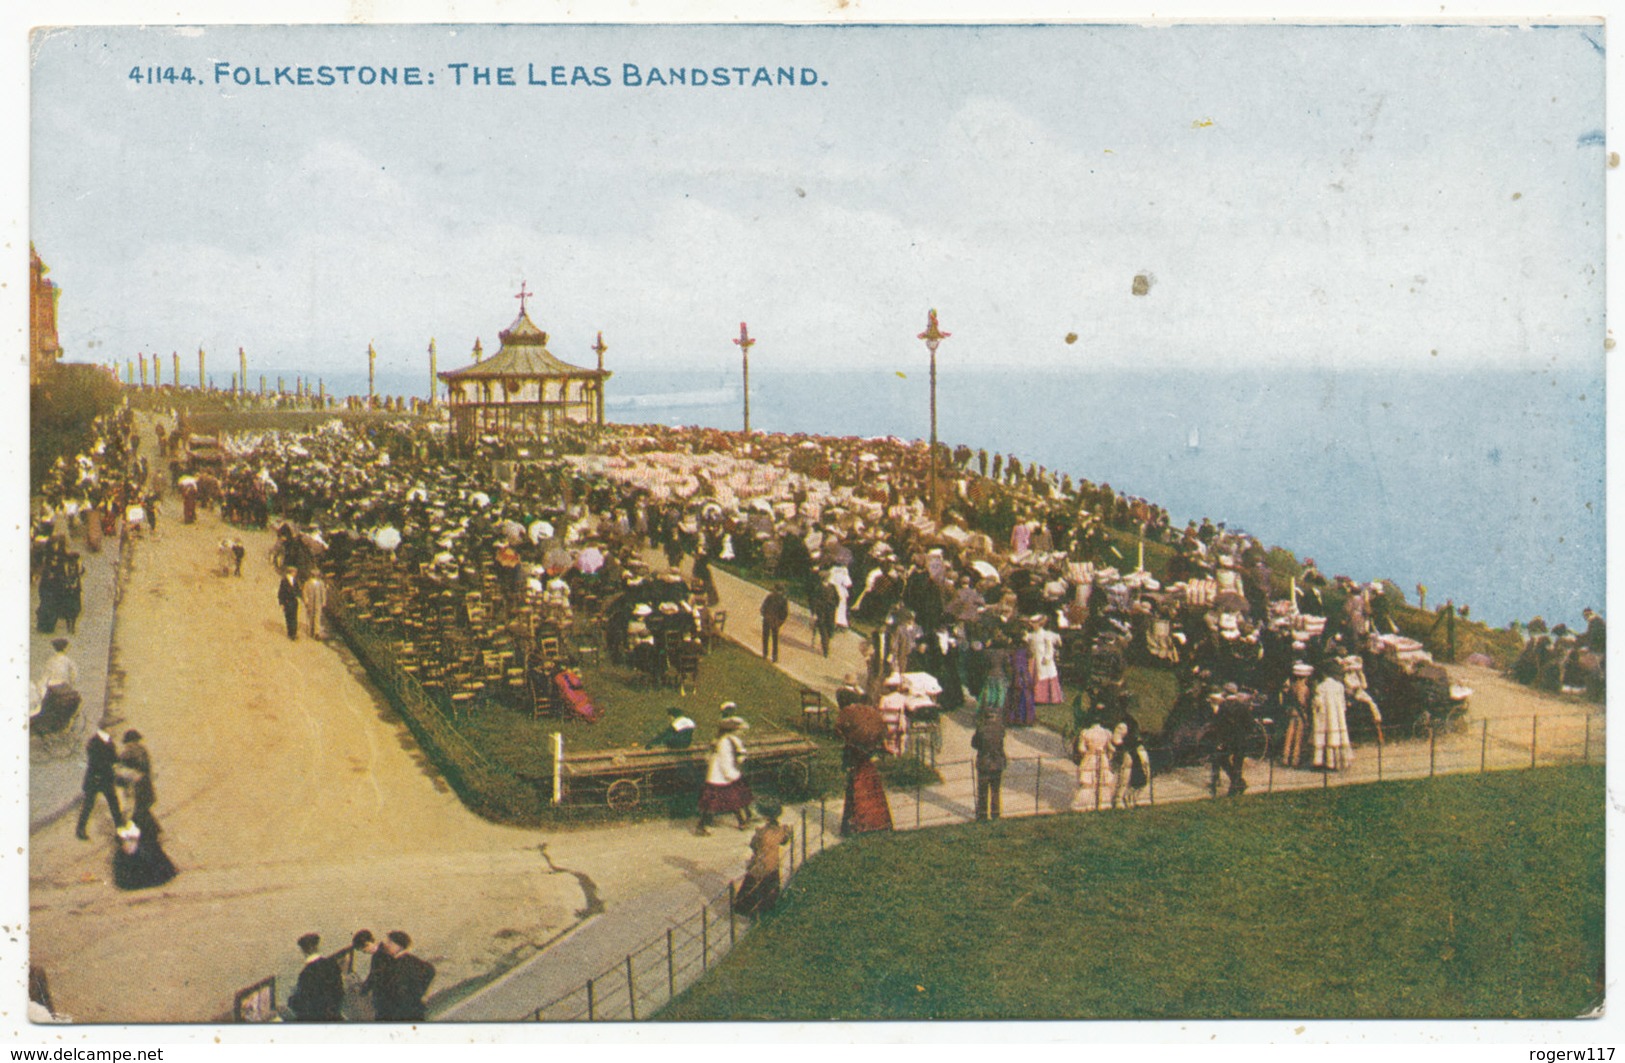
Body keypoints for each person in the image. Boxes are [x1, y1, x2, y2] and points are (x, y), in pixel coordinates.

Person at [834, 697, 893, 835]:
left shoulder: (855, 732)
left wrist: (845, 764)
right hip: (869, 769)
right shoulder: (869, 732)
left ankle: (855, 827)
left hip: (857, 770)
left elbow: (847, 754)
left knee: (855, 797)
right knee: (874, 796)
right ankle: (878, 824)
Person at [733, 799, 794, 917]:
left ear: (765, 817)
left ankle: (747, 910)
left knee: (751, 886)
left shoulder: (762, 833)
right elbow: (784, 840)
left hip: (760, 863)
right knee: (770, 887)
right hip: (773, 862)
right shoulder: (780, 830)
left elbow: (753, 845)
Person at [695, 714, 753, 836]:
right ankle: (703, 826)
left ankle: (742, 821)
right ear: (732, 730)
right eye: (739, 730)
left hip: (720, 775)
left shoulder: (725, 740)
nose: (741, 732)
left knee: (729, 800)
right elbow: (725, 762)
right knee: (721, 802)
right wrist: (733, 775)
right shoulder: (724, 743)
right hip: (720, 776)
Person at [376, 931, 435, 1022]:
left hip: (410, 1011)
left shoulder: (409, 960)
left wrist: (422, 995)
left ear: (399, 946)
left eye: (390, 943)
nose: (387, 945)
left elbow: (430, 971)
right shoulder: (393, 962)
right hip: (400, 1011)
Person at [76, 728, 122, 840]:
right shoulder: (94, 743)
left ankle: (120, 829)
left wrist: (117, 759)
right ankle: (80, 829)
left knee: (112, 804)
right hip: (97, 779)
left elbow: (113, 758)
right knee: (91, 805)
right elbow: (98, 761)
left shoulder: (106, 742)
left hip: (101, 779)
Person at [288, 933, 345, 1022]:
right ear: (317, 947)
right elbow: (339, 991)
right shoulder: (332, 964)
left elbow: (304, 1002)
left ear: (303, 951)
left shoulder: (306, 974)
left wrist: (291, 1000)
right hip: (335, 1014)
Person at [111, 820, 177, 891]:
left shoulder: (148, 853)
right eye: (124, 841)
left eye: (131, 840)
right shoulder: (120, 859)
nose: (128, 844)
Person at [1312, 659, 1353, 771]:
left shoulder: (1320, 687)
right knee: (1338, 735)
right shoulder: (1339, 686)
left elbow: (1318, 703)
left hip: (1325, 716)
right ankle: (1342, 761)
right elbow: (1343, 704)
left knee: (1324, 737)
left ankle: (1326, 762)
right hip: (1338, 716)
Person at [971, 705, 1006, 821]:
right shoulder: (1000, 728)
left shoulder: (981, 729)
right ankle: (995, 813)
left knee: (983, 790)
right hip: (997, 762)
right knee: (996, 790)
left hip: (984, 763)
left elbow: (974, 744)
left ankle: (982, 814)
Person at [759, 585, 789, 662]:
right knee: (774, 640)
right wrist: (780, 622)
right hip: (775, 622)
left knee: (766, 638)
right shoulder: (783, 600)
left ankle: (765, 654)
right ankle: (774, 657)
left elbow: (763, 607)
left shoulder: (770, 597)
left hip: (768, 620)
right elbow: (785, 614)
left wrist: (765, 615)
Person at [302, 570, 328, 639]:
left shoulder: (321, 583)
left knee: (317, 616)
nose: (316, 576)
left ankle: (316, 633)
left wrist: (324, 601)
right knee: (311, 616)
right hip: (310, 602)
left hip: (318, 602)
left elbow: (323, 592)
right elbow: (304, 592)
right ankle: (311, 630)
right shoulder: (307, 583)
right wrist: (306, 600)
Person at [277, 567, 301, 640]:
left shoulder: (295, 581)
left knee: (294, 617)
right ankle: (290, 633)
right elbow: (281, 592)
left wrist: (298, 595)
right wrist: (282, 603)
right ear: (291, 572)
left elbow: (298, 590)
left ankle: (294, 633)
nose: (295, 574)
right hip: (287, 601)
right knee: (289, 618)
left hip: (294, 601)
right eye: (294, 572)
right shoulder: (284, 581)